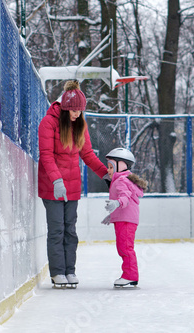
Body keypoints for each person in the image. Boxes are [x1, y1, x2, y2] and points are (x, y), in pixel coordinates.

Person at [38, 80, 108, 288]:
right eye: (74, 110)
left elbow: (87, 154)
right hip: (52, 186)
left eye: (80, 110)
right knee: (57, 229)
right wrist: (57, 180)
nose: (77, 114)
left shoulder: (80, 126)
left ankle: (70, 271)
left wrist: (106, 175)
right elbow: (46, 155)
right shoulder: (48, 122)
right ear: (66, 108)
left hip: (73, 187)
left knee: (70, 230)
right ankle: (57, 272)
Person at [102, 148, 148, 287]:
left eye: (111, 166)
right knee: (123, 247)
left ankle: (130, 276)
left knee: (125, 248)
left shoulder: (122, 181)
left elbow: (125, 198)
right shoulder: (121, 180)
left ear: (121, 165)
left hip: (126, 221)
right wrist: (112, 215)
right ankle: (130, 275)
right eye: (108, 167)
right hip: (124, 219)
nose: (108, 170)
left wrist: (116, 203)